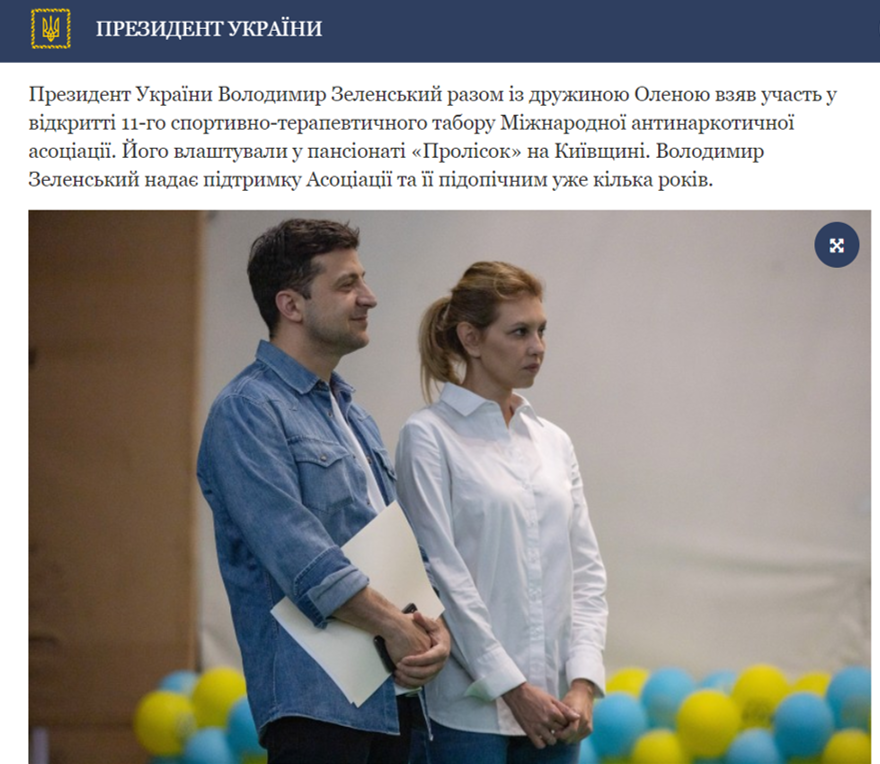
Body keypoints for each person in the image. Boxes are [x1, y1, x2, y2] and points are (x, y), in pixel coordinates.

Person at [197, 218, 449, 764]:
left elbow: (398, 543)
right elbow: (299, 554)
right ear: (291, 305)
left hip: (396, 696)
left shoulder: (352, 413)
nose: (369, 297)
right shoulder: (246, 410)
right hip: (318, 707)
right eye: (347, 284)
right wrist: (394, 625)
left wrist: (435, 628)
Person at [395, 261, 608, 764]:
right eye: (519, 332)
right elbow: (442, 577)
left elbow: (586, 573)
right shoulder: (428, 436)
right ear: (471, 338)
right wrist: (511, 687)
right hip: (466, 715)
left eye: (541, 330)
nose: (538, 347)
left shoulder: (554, 442)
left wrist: (583, 682)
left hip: (557, 709)